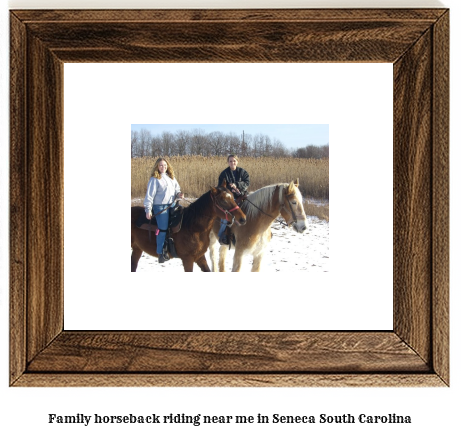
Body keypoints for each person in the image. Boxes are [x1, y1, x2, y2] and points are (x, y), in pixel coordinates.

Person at [144, 157, 184, 263]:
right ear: (157, 166)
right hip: (160, 207)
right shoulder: (154, 179)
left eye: (165, 165)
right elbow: (149, 196)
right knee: (163, 228)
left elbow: (177, 190)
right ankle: (160, 252)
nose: (163, 167)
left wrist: (179, 194)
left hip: (172, 204)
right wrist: (148, 209)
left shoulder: (171, 177)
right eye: (161, 165)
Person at [217, 154, 250, 245]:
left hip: (242, 196)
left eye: (234, 161)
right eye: (230, 161)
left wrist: (237, 185)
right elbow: (220, 187)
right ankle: (222, 235)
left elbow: (247, 183)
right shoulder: (224, 173)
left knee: (253, 208)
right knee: (226, 215)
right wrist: (229, 188)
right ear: (228, 162)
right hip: (230, 198)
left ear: (237, 162)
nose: (232, 163)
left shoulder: (243, 172)